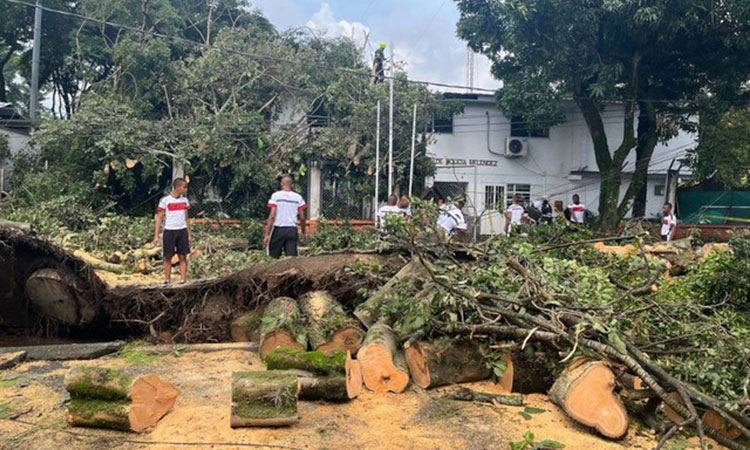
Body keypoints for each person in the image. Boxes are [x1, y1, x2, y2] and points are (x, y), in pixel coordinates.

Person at [153, 178, 192, 285]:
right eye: (184, 187)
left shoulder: (185, 201)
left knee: (182, 256)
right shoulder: (165, 201)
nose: (186, 190)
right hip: (169, 231)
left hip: (182, 230)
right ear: (178, 187)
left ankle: (183, 280)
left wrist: (189, 235)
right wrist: (156, 235)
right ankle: (167, 280)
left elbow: (186, 218)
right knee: (167, 256)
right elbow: (159, 218)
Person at [263, 175, 307, 258]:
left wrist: (267, 234)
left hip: (278, 229)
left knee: (273, 257)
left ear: (281, 184)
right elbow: (302, 218)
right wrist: (303, 233)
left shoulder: (276, 196)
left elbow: (272, 216)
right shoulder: (298, 198)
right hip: (292, 230)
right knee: (291, 259)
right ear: (292, 185)